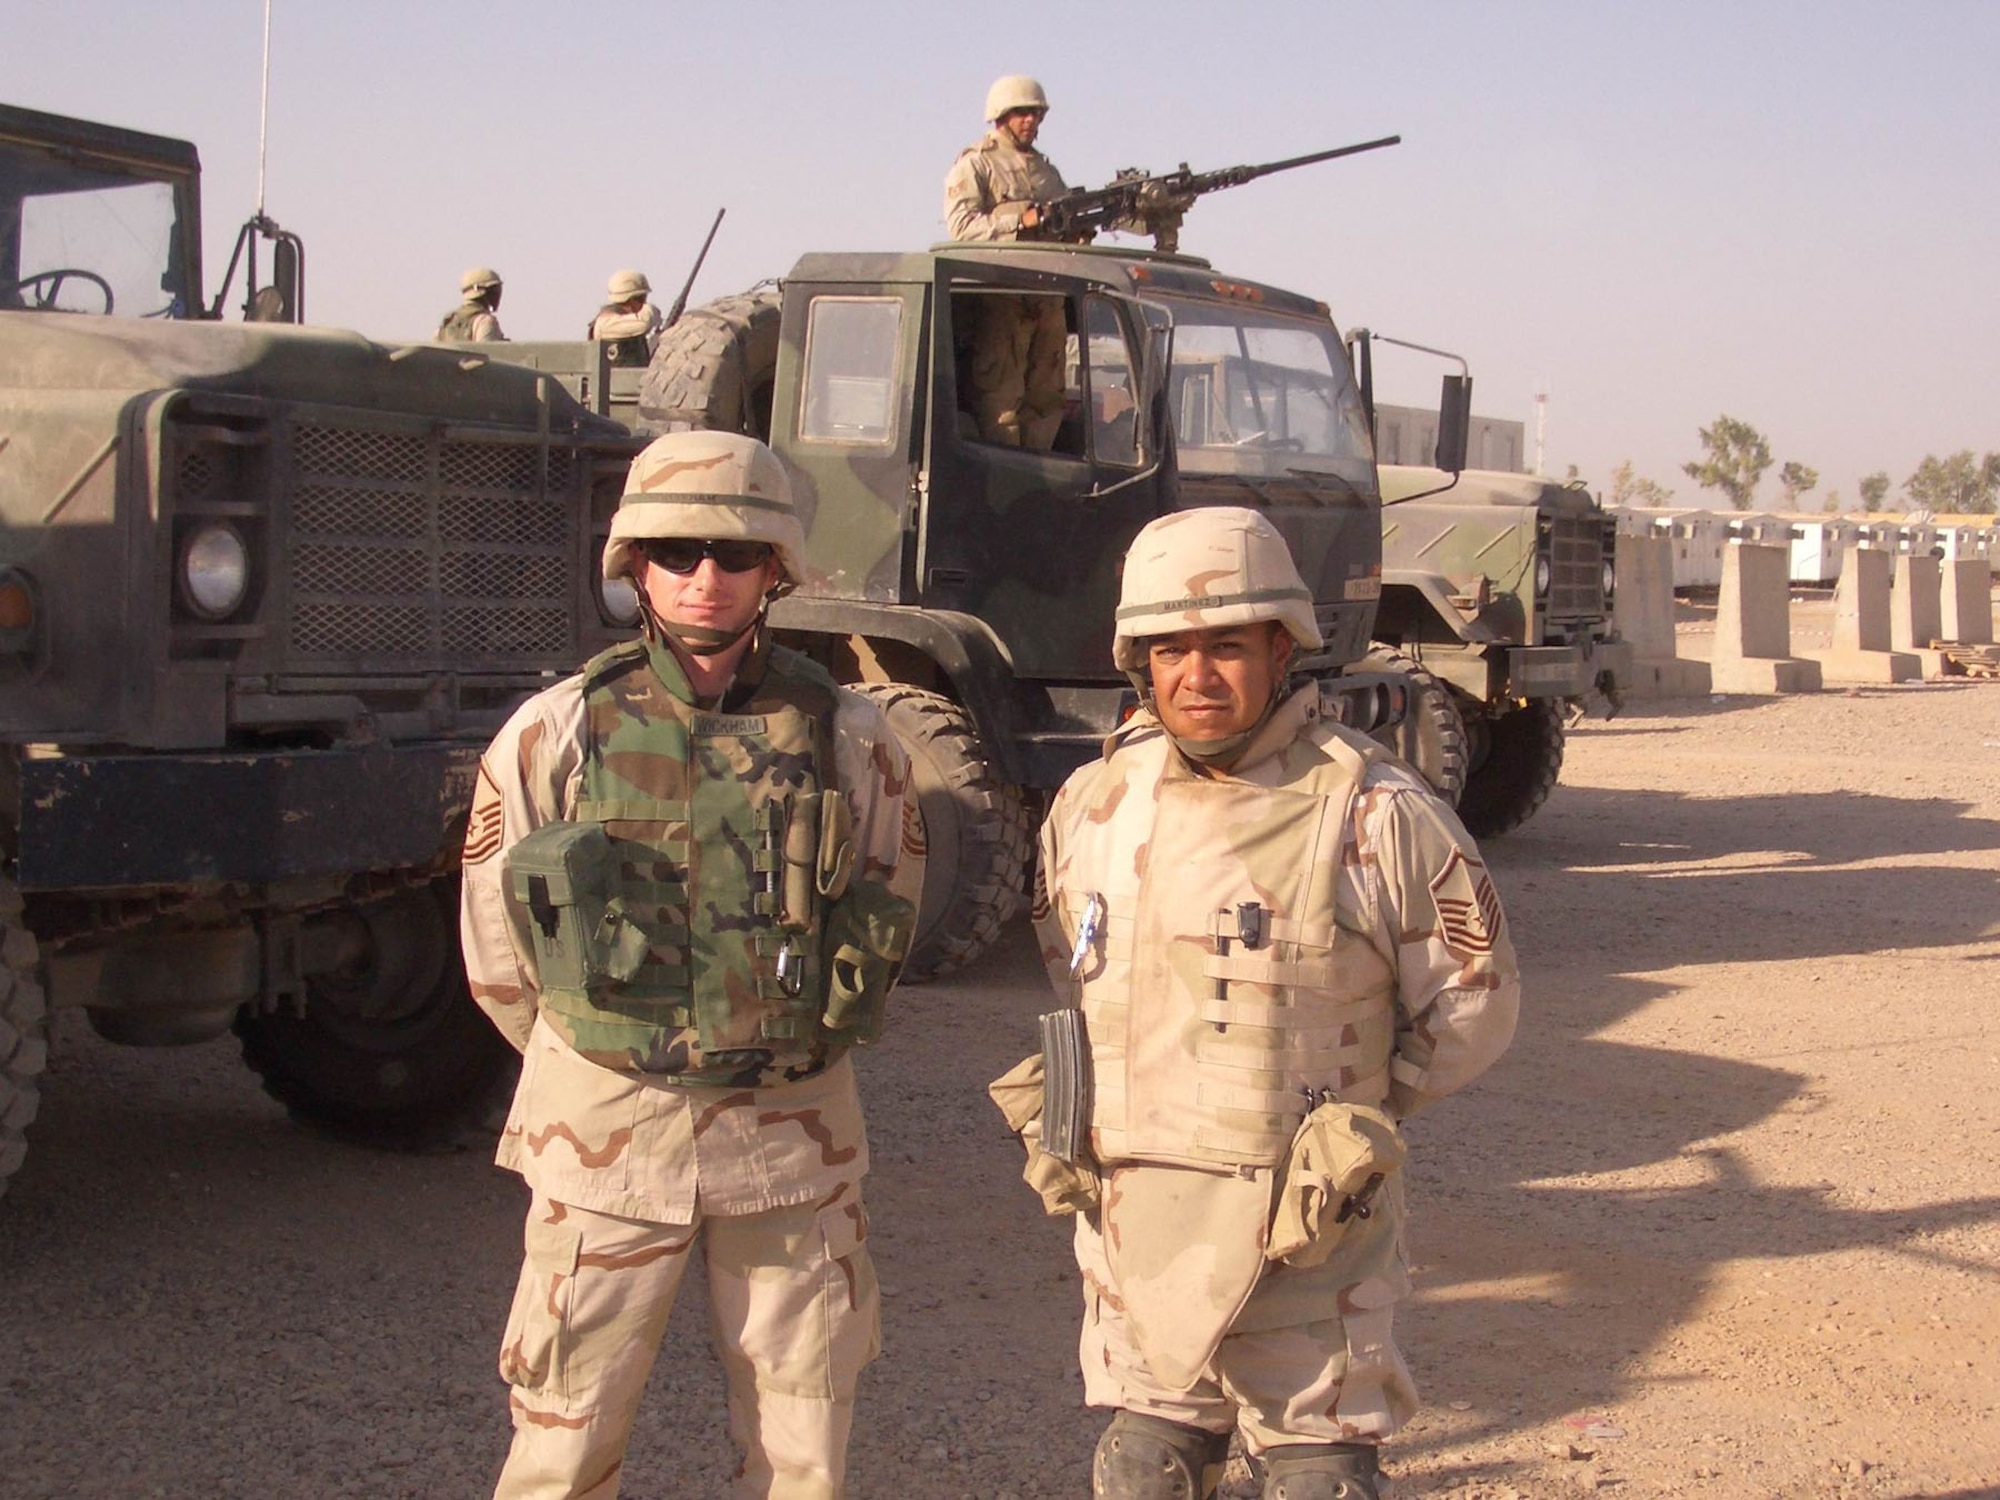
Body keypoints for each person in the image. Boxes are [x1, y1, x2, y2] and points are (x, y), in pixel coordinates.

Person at [991, 507, 1520, 1500]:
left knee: (1316, 1474)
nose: (1196, 674)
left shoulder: (1373, 813)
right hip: (1135, 1215)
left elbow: (1473, 1007)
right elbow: (1071, 962)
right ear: (1137, 661)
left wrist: (1356, 1120)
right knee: (1144, 1463)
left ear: (1282, 647)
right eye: (1169, 648)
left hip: (1305, 1232)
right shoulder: (1093, 805)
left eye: (1226, 644)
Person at [460, 429, 925, 1500]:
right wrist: (594, 1061)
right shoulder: (555, 730)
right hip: (607, 1141)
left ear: (777, 570)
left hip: (789, 1143)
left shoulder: (850, 734)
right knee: (560, 1441)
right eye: (674, 552)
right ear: (633, 567)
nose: (704, 578)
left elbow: (880, 911)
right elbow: (498, 947)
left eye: (734, 553)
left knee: (801, 1446)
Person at [942, 74, 1073, 449]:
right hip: (1001, 295)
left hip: (1047, 295)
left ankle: (1040, 472)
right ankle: (1008, 475)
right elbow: (963, 228)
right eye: (1021, 113)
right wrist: (1020, 220)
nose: (1030, 121)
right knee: (1001, 394)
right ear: (1000, 115)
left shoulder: (1048, 174)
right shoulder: (977, 165)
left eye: (1035, 114)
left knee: (1048, 394)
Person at [588, 268, 664, 366]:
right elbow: (644, 322)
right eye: (641, 298)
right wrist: (651, 309)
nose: (644, 303)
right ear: (631, 299)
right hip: (617, 380)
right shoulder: (606, 323)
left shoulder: (624, 321)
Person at [438, 266, 507, 342]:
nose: (498, 294)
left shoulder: (447, 323)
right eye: (495, 290)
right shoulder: (485, 321)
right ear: (485, 292)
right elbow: (487, 352)